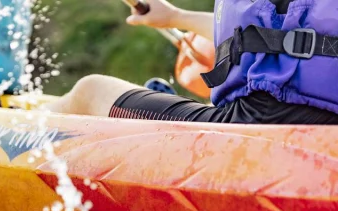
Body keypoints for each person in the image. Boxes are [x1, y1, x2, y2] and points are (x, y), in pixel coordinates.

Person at [48, 0, 338, 125]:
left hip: (259, 124)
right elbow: (286, 35)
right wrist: (176, 17)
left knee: (89, 91)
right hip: (324, 130)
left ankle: (15, 136)